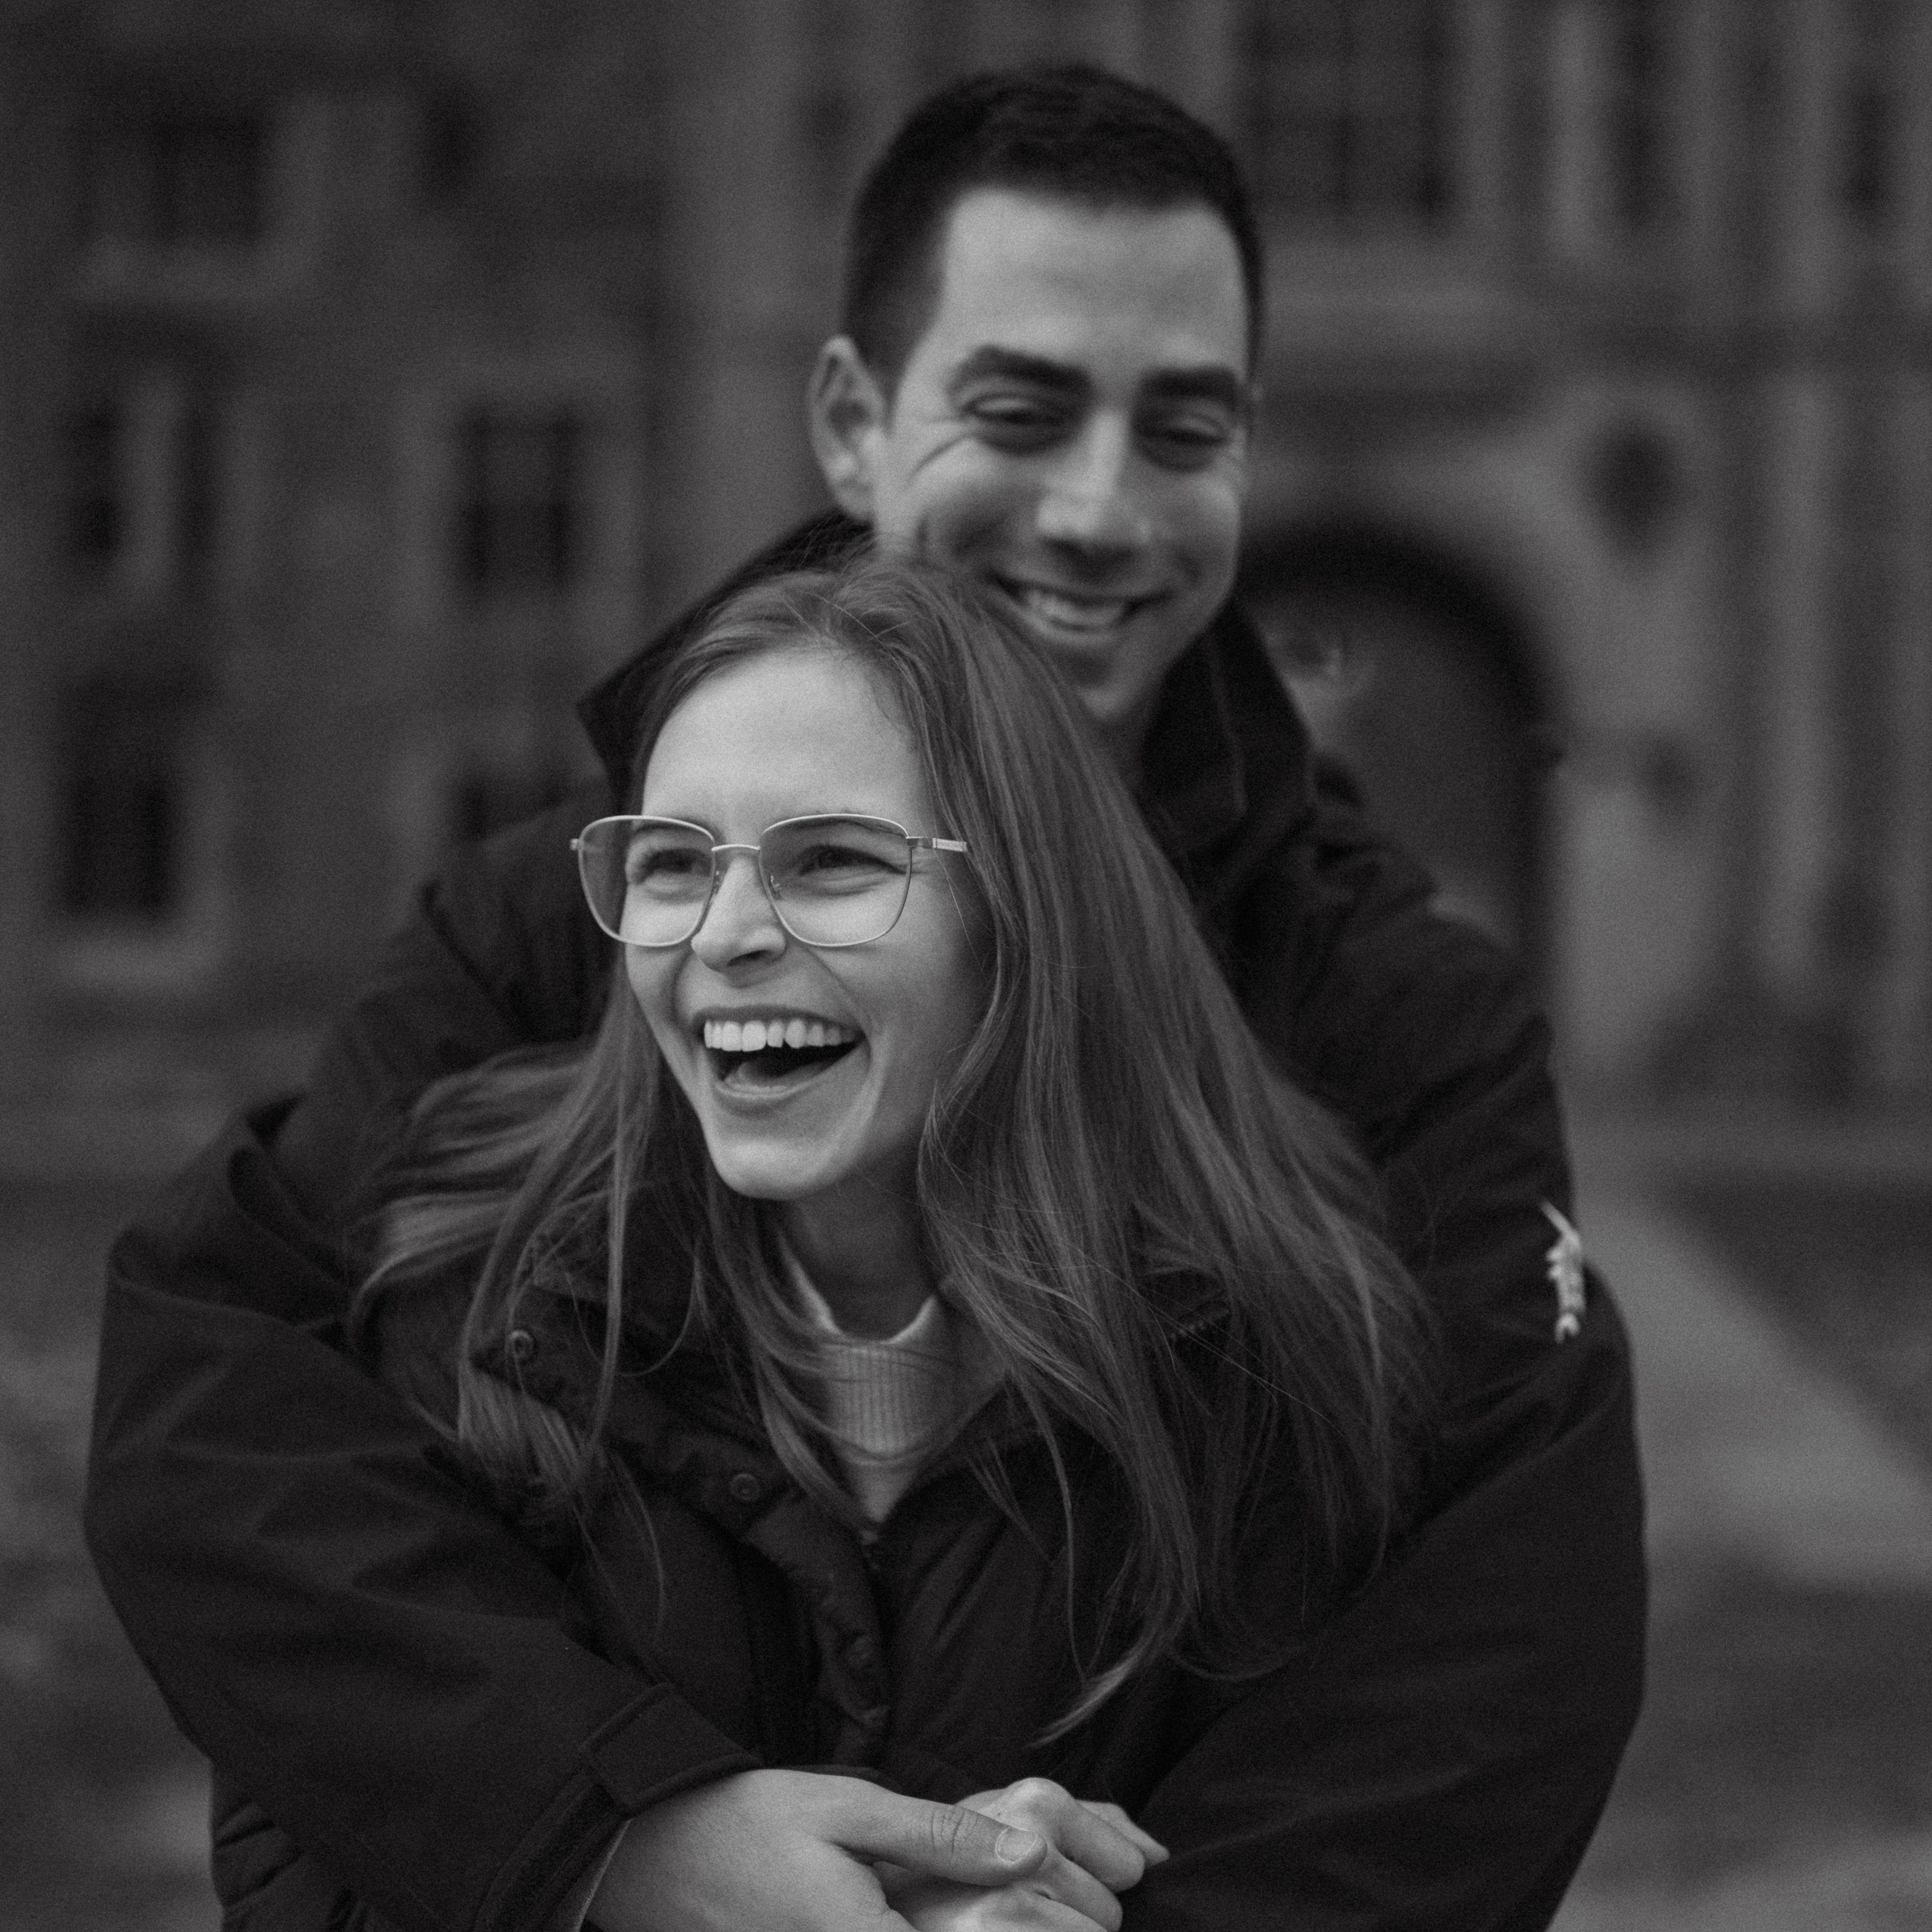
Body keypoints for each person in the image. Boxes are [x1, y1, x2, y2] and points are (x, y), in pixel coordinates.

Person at [86, 64, 1645, 1932]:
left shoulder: (1387, 1010)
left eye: (1181, 427)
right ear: (850, 420)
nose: (1098, 510)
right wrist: (622, 1831)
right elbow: (236, 1432)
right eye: (1019, 410)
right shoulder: (548, 937)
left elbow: (1492, 1653)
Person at [212, 555, 1444, 1931]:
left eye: (835, 860)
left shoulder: (1271, 1358)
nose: (729, 934)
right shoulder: (471, 1305)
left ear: (1024, 910)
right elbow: (300, 1875)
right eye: (673, 863)